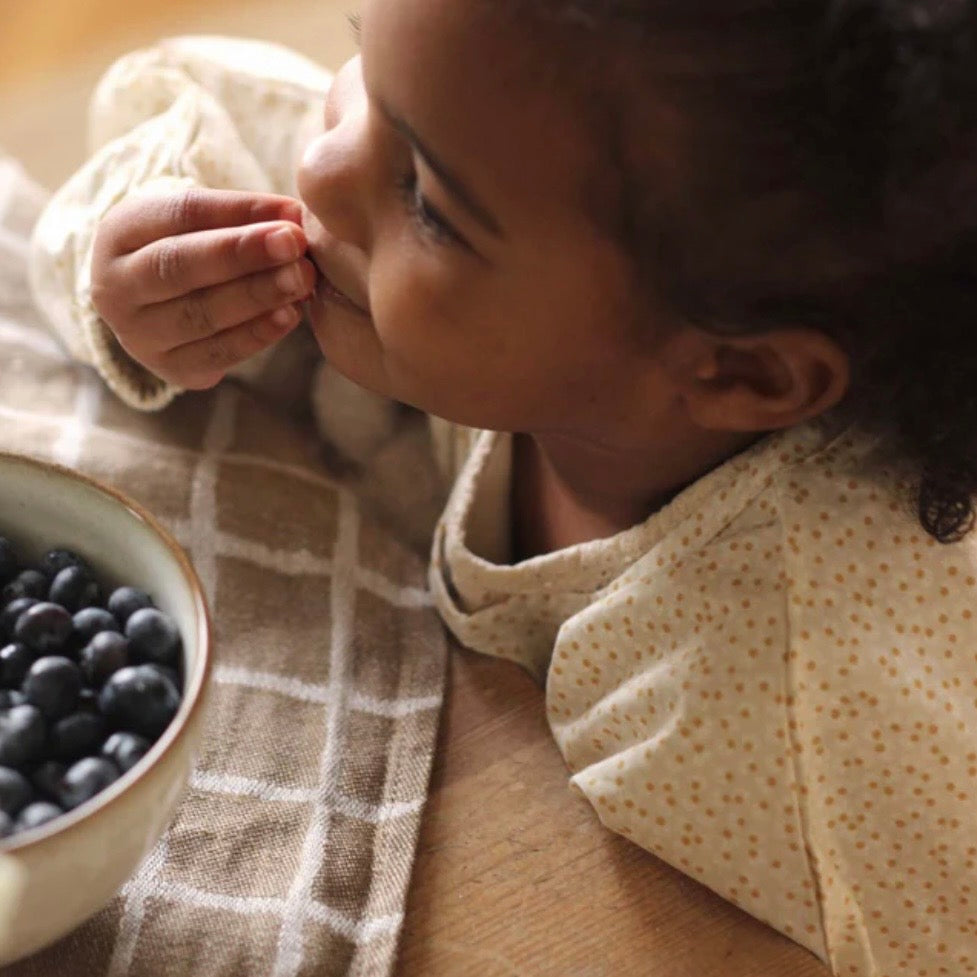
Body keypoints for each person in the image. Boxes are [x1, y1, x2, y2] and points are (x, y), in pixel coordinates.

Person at [27, 2, 977, 972]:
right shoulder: (463, 158)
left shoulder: (827, 730)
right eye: (359, 55)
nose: (319, 169)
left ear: (739, 372)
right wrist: (135, 271)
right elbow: (195, 121)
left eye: (429, 204)